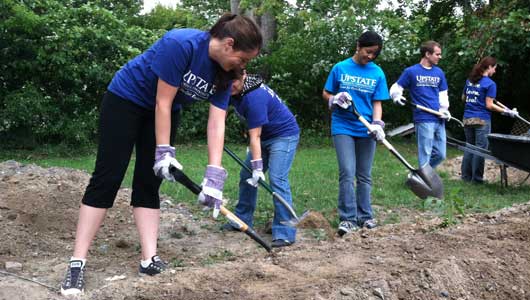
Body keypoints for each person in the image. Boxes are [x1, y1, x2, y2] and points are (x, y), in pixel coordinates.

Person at [60, 13, 262, 296]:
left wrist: (214, 176)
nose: (243, 66)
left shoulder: (226, 75)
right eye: (244, 59)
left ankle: (149, 260)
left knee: (148, 181)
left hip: (166, 111)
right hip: (126, 100)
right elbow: (162, 101)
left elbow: (217, 122)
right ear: (229, 44)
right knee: (109, 176)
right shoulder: (181, 44)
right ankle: (77, 263)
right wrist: (164, 151)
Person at [322, 31, 389, 236]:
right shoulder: (340, 68)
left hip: (367, 129)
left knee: (364, 175)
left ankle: (365, 216)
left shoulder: (377, 72)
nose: (370, 57)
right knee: (347, 172)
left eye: (374, 54)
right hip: (343, 126)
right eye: (368, 52)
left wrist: (377, 124)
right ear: (359, 45)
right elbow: (326, 93)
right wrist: (334, 99)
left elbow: (377, 102)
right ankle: (348, 218)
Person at [223, 72, 300, 248]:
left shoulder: (254, 97)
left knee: (277, 179)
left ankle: (286, 232)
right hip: (264, 137)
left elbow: (254, 136)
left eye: (233, 81)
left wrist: (258, 168)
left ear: (243, 75)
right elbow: (219, 111)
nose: (229, 85)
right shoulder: (233, 90)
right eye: (226, 81)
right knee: (246, 176)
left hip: (283, 136)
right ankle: (242, 219)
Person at [390, 41, 449, 169]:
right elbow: (397, 87)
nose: (440, 57)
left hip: (439, 117)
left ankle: (421, 175)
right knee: (425, 153)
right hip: (423, 118)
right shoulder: (411, 71)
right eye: (437, 54)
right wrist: (396, 96)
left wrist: (444, 110)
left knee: (440, 154)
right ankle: (424, 181)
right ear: (427, 54)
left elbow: (443, 93)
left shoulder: (439, 73)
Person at [460, 56, 518, 183]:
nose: (495, 72)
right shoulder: (490, 84)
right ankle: (477, 179)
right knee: (480, 149)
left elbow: (463, 98)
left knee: (470, 147)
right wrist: (507, 112)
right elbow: (489, 105)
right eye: (495, 68)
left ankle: (465, 177)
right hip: (481, 120)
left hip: (467, 118)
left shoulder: (470, 80)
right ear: (489, 67)